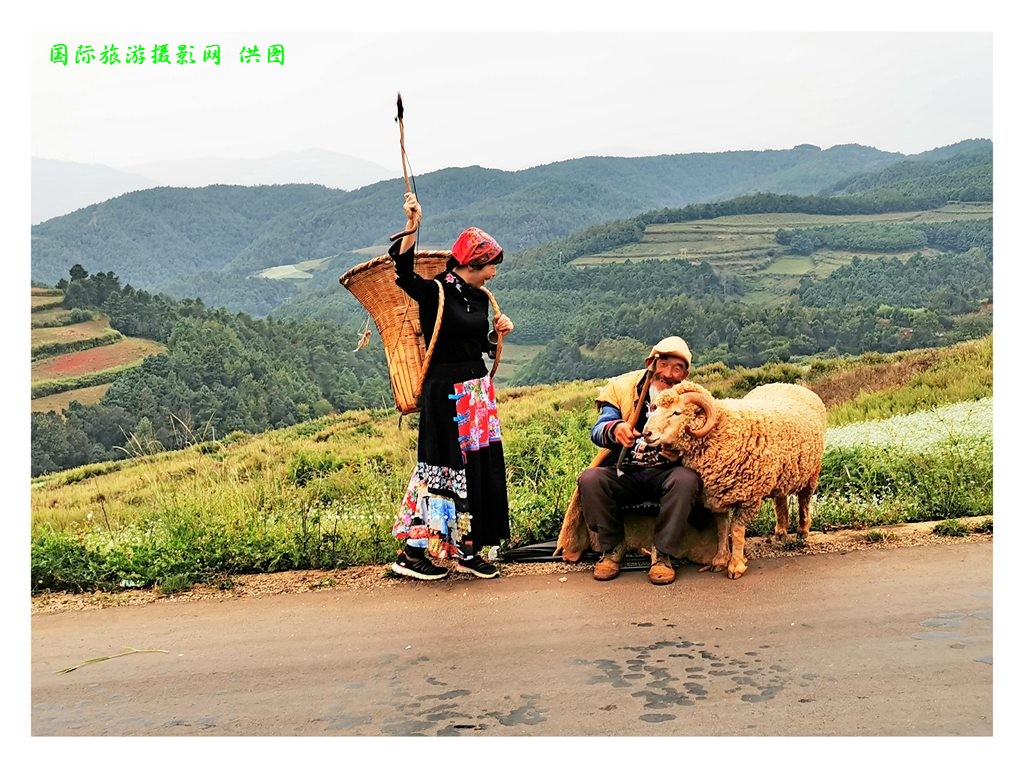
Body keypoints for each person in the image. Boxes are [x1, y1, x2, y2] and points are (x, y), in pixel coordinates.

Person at [389, 191, 515, 581]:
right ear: (474, 262)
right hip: (446, 392)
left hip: (476, 393)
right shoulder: (436, 291)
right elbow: (403, 274)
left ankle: (467, 550)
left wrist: (497, 335)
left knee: (475, 469)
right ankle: (413, 553)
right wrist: (412, 225)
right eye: (491, 265)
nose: (494, 272)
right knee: (441, 469)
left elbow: (476, 345)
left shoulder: (480, 298)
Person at [577, 337, 701, 585]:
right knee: (590, 479)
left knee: (687, 480)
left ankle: (663, 553)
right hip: (624, 472)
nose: (668, 374)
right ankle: (612, 548)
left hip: (666, 474)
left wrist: (681, 451)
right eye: (663, 364)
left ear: (685, 374)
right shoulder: (622, 387)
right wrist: (615, 429)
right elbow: (598, 430)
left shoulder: (690, 398)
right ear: (650, 363)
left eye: (677, 368)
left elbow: (702, 438)